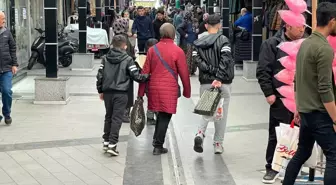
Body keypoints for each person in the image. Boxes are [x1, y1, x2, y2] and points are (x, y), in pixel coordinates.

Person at [283, 2, 336, 185]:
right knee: (334, 154)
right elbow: (325, 88)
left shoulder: (305, 44)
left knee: (302, 153)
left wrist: (298, 107)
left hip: (306, 112)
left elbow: (297, 80)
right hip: (319, 114)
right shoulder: (325, 49)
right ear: (332, 21)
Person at [256, 17, 305, 185]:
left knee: (300, 133)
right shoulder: (272, 44)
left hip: (301, 98)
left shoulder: (304, 44)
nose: (302, 30)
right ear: (288, 26)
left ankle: (293, 166)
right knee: (277, 133)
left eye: (303, 26)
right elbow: (263, 70)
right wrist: (269, 93)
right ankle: (272, 167)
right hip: (279, 98)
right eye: (299, 27)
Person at [138, 23, 191, 155]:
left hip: (154, 88)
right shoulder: (178, 51)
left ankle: (157, 142)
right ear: (174, 34)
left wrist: (140, 93)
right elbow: (184, 73)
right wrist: (187, 91)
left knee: (161, 115)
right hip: (169, 88)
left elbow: (144, 73)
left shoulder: (152, 50)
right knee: (165, 116)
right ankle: (157, 145)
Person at [96, 35, 150, 156]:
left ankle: (106, 142)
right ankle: (112, 145)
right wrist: (147, 76)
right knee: (117, 119)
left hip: (108, 93)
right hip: (121, 93)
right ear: (125, 46)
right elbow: (136, 76)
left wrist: (100, 90)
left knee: (108, 117)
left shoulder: (105, 58)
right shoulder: (128, 59)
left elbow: (100, 75)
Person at [192, 14, 234, 155]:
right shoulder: (224, 40)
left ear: (206, 25)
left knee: (206, 108)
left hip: (205, 81)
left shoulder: (198, 42)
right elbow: (225, 59)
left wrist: (209, 71)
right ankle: (218, 143)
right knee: (221, 113)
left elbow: (197, 60)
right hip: (222, 82)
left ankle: (200, 133)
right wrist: (219, 76)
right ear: (219, 25)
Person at [0, 11, 17, 125]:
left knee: (6, 91)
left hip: (6, 69)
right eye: (2, 18)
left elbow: (13, 48)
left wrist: (14, 64)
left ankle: (7, 113)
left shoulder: (7, 32)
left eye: (4, 18)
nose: (4, 20)